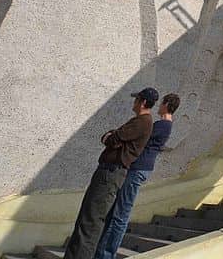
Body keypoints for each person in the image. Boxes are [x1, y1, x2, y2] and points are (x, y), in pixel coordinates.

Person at [62, 88, 156, 259]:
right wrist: (113, 137)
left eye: (136, 99)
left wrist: (113, 137)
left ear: (143, 102)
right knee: (87, 217)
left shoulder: (142, 122)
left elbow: (112, 138)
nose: (134, 102)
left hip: (111, 173)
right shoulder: (140, 121)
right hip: (109, 172)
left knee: (91, 220)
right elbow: (111, 137)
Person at [93, 92, 180, 259]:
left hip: (138, 169)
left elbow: (137, 138)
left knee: (121, 214)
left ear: (167, 105)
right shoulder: (162, 124)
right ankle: (102, 252)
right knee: (116, 211)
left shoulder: (162, 125)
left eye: (162, 103)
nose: (159, 106)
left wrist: (115, 136)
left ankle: (106, 254)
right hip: (137, 168)